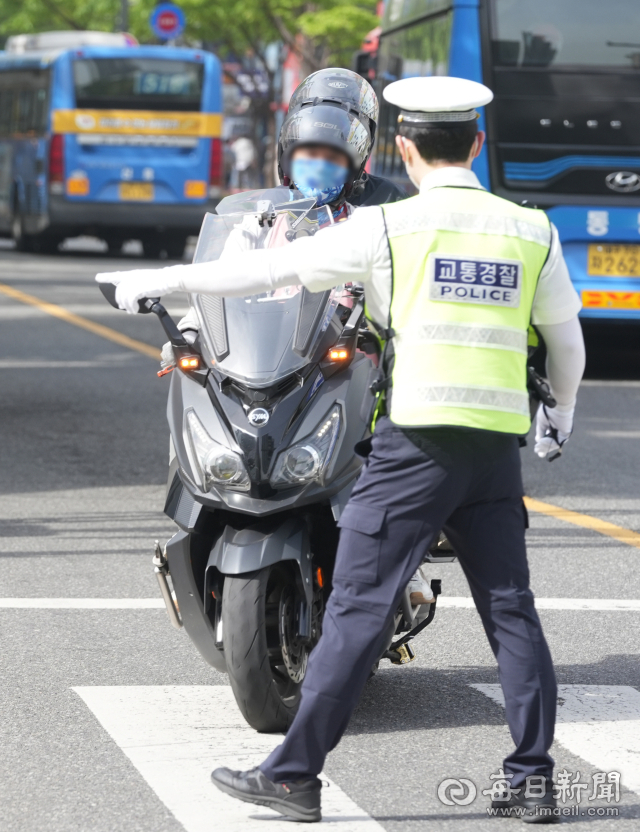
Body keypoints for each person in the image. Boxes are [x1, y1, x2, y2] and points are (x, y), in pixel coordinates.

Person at [96, 75, 586, 824]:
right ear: (477, 145)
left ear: (403, 148)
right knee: (512, 611)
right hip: (493, 447)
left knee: (357, 607)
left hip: (415, 443)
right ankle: (533, 778)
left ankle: (292, 776)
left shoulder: (388, 227)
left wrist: (159, 281)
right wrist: (561, 415)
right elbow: (567, 342)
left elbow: (264, 271)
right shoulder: (530, 228)